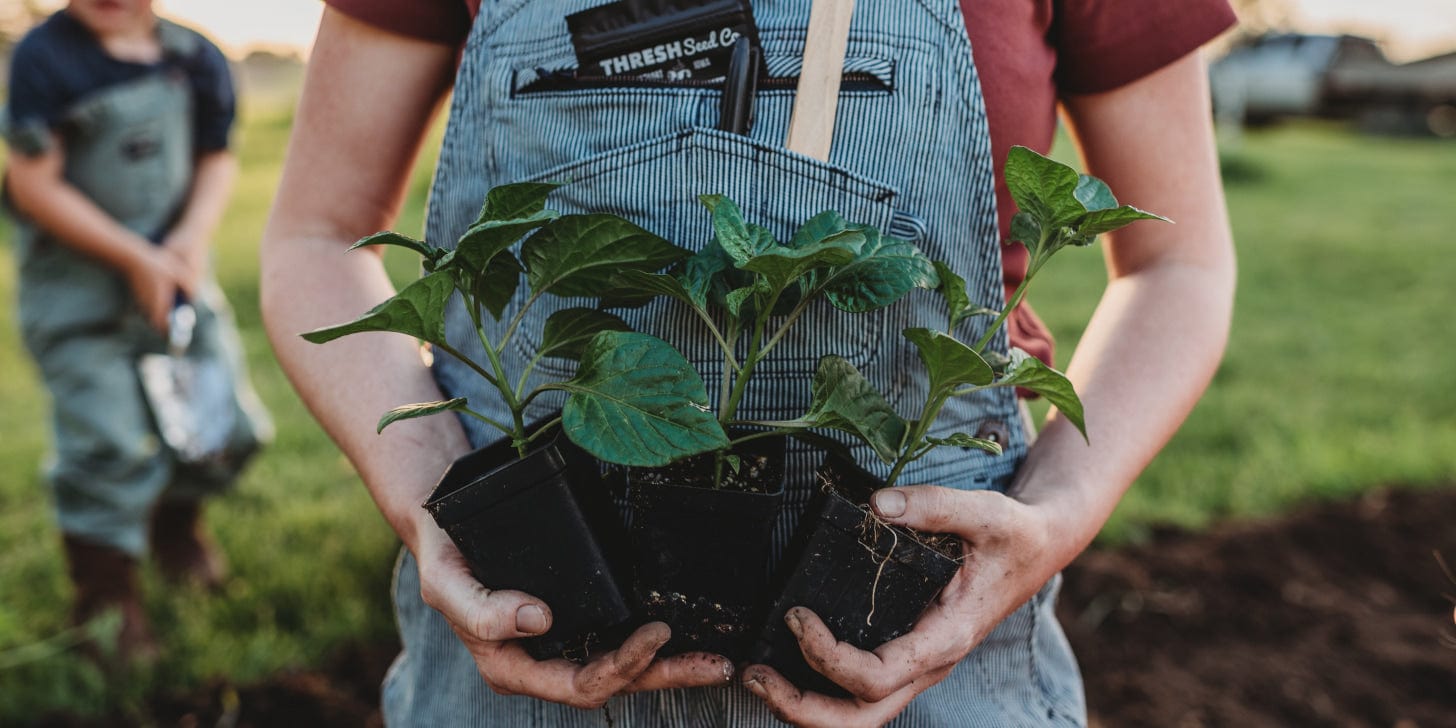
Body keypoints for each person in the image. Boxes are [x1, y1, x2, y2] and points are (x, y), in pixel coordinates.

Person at [262, 0, 1237, 724]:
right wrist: (432, 489)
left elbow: (1175, 261)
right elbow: (317, 234)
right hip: (525, 593)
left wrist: (1059, 508)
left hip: (924, 599)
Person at [3, 0, 269, 663]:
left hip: (177, 290)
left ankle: (176, 530)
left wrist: (186, 241)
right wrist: (135, 258)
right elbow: (31, 184)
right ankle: (105, 600)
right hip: (79, 303)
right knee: (109, 444)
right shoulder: (44, 57)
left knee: (222, 427)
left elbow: (216, 155)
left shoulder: (195, 56)